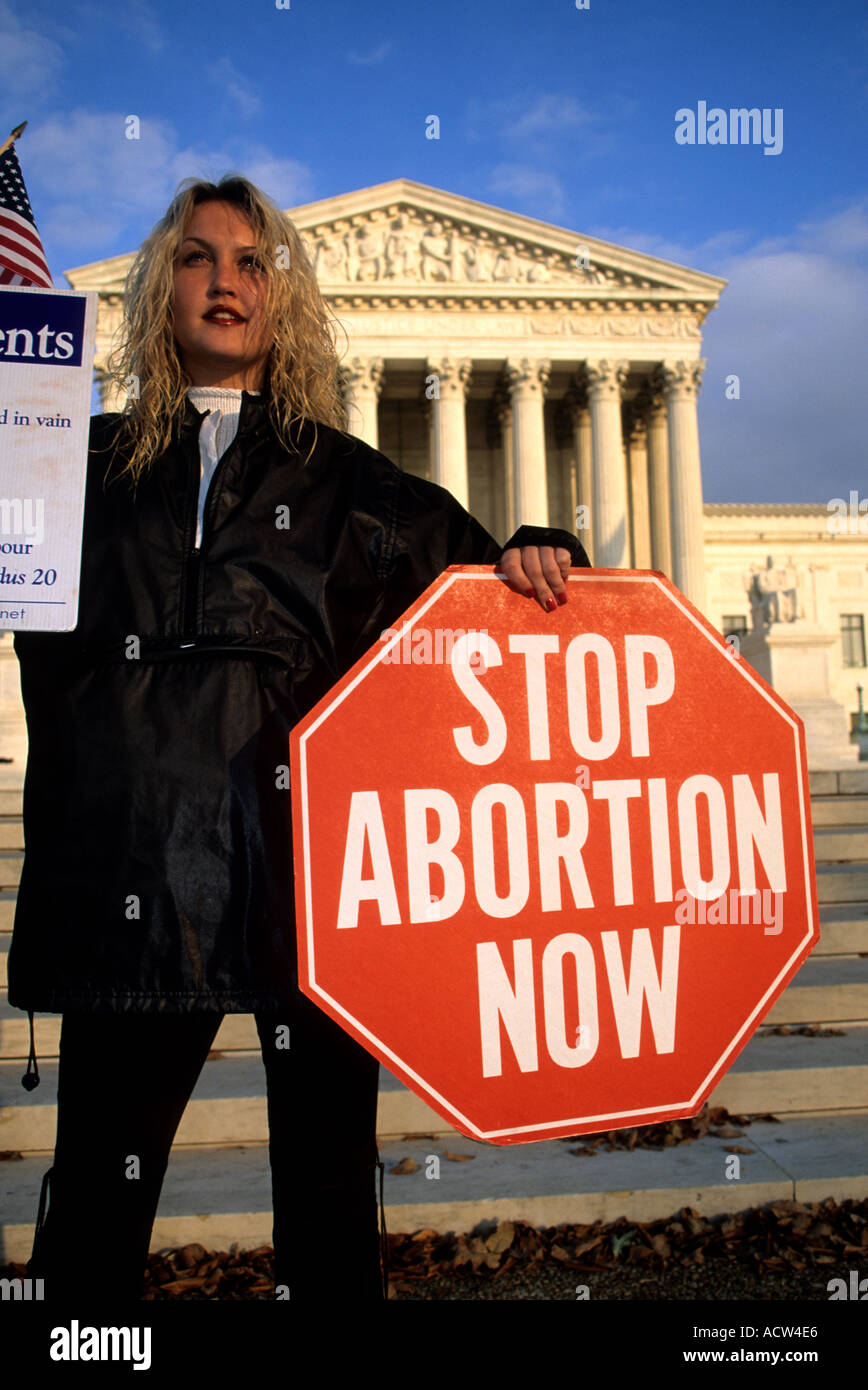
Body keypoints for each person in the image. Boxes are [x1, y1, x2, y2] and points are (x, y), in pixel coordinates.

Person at [8, 175, 590, 1302]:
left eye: (251, 260)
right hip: (134, 872)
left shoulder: (347, 480)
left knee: (325, 1206)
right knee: (93, 1214)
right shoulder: (69, 468)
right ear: (156, 291)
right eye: (194, 256)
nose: (223, 279)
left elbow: (480, 592)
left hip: (313, 888)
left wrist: (534, 547)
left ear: (283, 298)